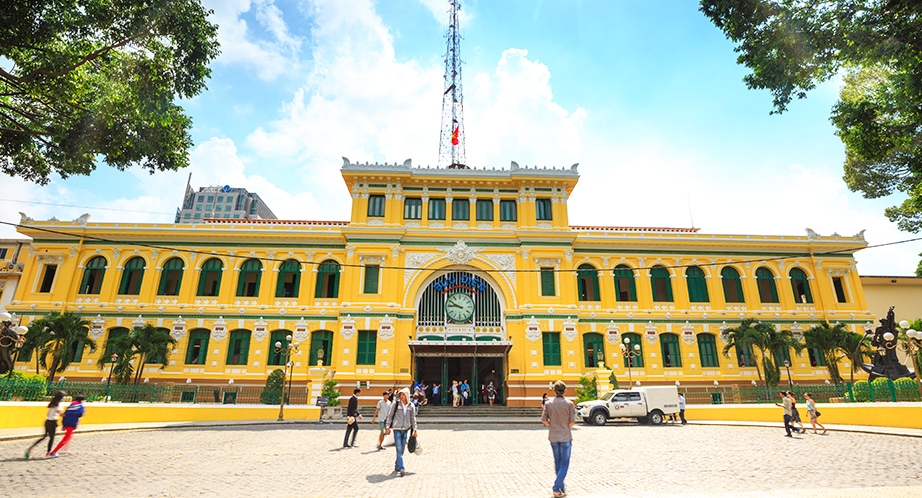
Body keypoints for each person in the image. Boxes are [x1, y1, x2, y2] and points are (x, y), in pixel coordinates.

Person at [541, 380, 576, 498]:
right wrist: (564, 427)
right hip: (565, 436)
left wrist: (552, 424)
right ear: (565, 391)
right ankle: (556, 488)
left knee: (558, 462)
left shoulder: (548, 403)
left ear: (554, 391)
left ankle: (561, 489)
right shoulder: (570, 404)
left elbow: (544, 420)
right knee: (565, 463)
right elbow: (572, 423)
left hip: (553, 436)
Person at [385, 387, 418, 477]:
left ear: (407, 395)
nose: (401, 396)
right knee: (399, 448)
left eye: (403, 394)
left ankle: (397, 464)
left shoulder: (411, 406)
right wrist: (387, 426)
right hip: (397, 429)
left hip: (406, 429)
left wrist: (415, 429)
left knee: (402, 449)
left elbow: (413, 419)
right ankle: (402, 467)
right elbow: (390, 416)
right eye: (401, 394)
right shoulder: (395, 404)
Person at [25, 391, 67, 458]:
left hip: (47, 421)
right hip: (53, 422)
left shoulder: (52, 403)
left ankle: (31, 447)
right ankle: (48, 452)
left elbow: (48, 413)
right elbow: (60, 413)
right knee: (52, 438)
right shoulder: (59, 404)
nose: (64, 398)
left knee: (44, 437)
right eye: (64, 397)